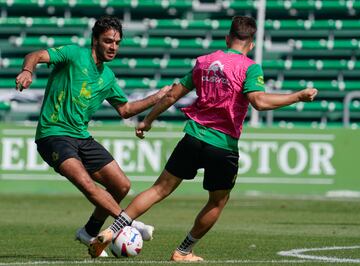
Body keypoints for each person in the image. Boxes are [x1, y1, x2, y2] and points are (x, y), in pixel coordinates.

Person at [89, 15, 318, 261]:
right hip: (223, 144)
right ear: (251, 44)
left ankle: (113, 230)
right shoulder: (249, 67)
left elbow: (172, 95)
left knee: (159, 189)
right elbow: (259, 102)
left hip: (193, 137)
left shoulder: (205, 62)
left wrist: (147, 120)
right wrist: (297, 97)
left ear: (228, 38)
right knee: (218, 201)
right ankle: (183, 250)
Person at [15, 16, 170, 257]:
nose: (113, 47)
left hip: (81, 136)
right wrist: (27, 71)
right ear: (95, 40)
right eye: (108, 41)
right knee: (88, 184)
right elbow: (35, 55)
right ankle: (128, 223)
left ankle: (89, 231)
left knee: (121, 185)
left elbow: (125, 110)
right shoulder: (73, 54)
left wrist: (157, 97)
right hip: (53, 134)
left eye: (117, 42)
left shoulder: (107, 76)